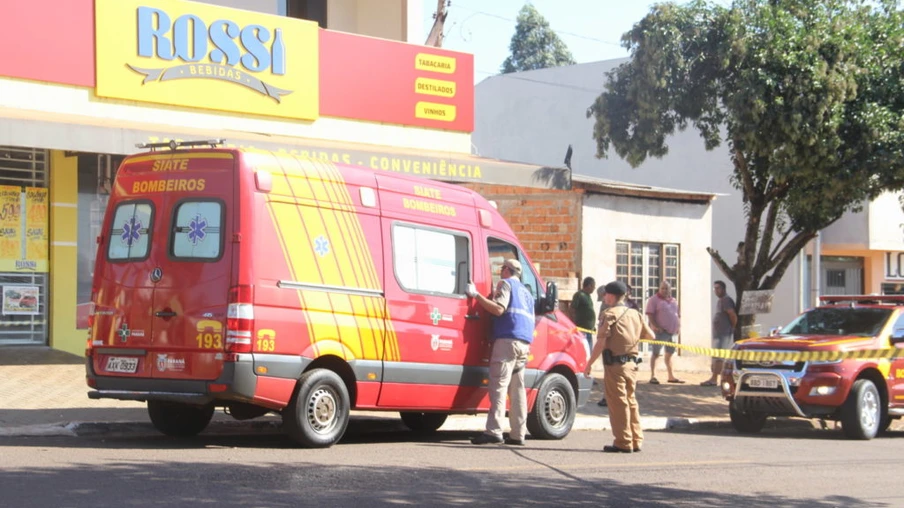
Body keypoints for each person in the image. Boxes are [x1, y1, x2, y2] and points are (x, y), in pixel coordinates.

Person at [466, 258, 535, 445]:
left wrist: (477, 296)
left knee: (499, 386)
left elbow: (498, 309)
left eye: (502, 267)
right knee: (518, 390)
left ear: (507, 270)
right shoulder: (527, 293)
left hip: (507, 341)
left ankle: (494, 431)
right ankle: (518, 434)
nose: (499, 270)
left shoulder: (506, 284)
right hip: (524, 344)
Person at [585, 281, 653, 453]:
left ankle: (623, 441)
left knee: (617, 403)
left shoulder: (608, 314)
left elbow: (600, 343)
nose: (604, 297)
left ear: (612, 296)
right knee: (631, 401)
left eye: (606, 294)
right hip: (632, 364)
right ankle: (636, 439)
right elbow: (650, 336)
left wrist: (589, 364)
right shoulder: (635, 314)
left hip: (615, 364)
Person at [646, 281, 683, 384]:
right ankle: (653, 376)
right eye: (662, 288)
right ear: (659, 289)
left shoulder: (673, 301)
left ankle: (671, 376)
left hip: (673, 332)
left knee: (670, 354)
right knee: (656, 354)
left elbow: (677, 315)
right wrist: (656, 326)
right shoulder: (654, 300)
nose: (664, 290)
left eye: (666, 288)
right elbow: (650, 315)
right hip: (660, 332)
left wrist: (678, 327)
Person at [702, 280, 737, 387]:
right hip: (718, 334)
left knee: (719, 358)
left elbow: (732, 315)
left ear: (723, 289)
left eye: (718, 288)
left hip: (723, 334)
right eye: (714, 288)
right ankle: (717, 378)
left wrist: (732, 327)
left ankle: (714, 379)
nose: (716, 291)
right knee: (716, 357)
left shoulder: (726, 300)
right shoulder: (721, 300)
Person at [570, 277, 597, 352]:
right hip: (582, 330)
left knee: (589, 352)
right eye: (593, 286)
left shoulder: (588, 296)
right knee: (584, 351)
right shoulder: (579, 295)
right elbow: (572, 309)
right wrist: (573, 324)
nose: (594, 288)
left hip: (589, 330)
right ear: (589, 286)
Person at [595, 285, 609, 407]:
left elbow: (602, 322)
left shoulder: (607, 307)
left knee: (610, 373)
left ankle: (607, 397)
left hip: (609, 343)